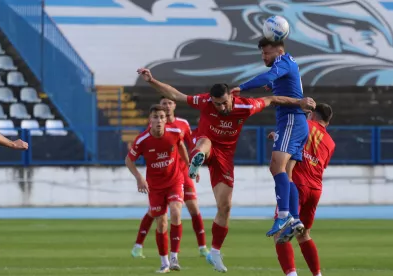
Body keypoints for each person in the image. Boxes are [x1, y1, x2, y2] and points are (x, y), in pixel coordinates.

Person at [137, 67, 315, 272]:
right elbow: (176, 95)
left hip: (225, 157)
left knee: (225, 207)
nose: (221, 107)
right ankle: (197, 158)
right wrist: (151, 81)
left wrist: (299, 102)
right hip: (205, 142)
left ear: (231, 96)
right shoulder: (205, 101)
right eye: (217, 104)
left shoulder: (246, 106)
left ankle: (214, 251)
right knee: (204, 144)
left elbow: (272, 99)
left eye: (224, 103)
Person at [230, 37, 308, 237]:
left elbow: (268, 76)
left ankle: (283, 215)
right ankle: (295, 217)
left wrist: (243, 87)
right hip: (295, 122)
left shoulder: (282, 62)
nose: (264, 57)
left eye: (267, 53)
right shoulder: (288, 63)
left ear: (278, 52)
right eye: (262, 53)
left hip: (291, 120)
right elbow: (275, 83)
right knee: (287, 173)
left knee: (276, 166)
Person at [131, 97, 210, 258]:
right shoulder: (156, 126)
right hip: (163, 175)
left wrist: (193, 167)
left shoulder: (183, 124)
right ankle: (139, 245)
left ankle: (202, 246)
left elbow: (190, 145)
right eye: (163, 104)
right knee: (156, 213)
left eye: (169, 103)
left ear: (174, 105)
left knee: (193, 208)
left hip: (182, 173)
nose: (166, 106)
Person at [268, 104, 335, 276]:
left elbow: (289, 145)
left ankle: (291, 274)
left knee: (280, 233)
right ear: (327, 122)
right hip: (315, 189)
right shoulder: (330, 143)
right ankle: (317, 274)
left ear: (311, 114)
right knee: (304, 235)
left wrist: (276, 136)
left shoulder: (302, 125)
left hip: (296, 186)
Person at [125, 104, 190, 273]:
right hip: (155, 186)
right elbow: (128, 160)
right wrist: (139, 179)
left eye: (162, 117)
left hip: (174, 180)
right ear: (150, 120)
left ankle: (175, 257)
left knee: (176, 211)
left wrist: (190, 166)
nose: (159, 121)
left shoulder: (174, 133)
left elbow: (181, 146)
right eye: (155, 117)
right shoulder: (142, 140)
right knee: (161, 223)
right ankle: (164, 263)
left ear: (165, 119)